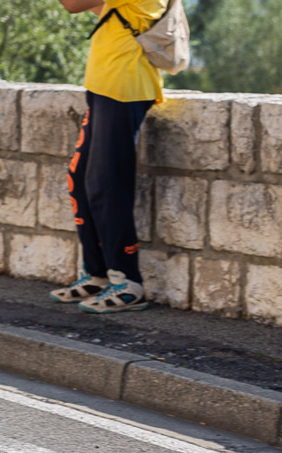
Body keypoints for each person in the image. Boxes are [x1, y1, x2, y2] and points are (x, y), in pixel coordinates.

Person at [50, 0, 165, 313]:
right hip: (106, 84)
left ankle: (127, 281)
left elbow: (73, 4)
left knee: (106, 183)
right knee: (81, 179)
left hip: (125, 85)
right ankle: (98, 273)